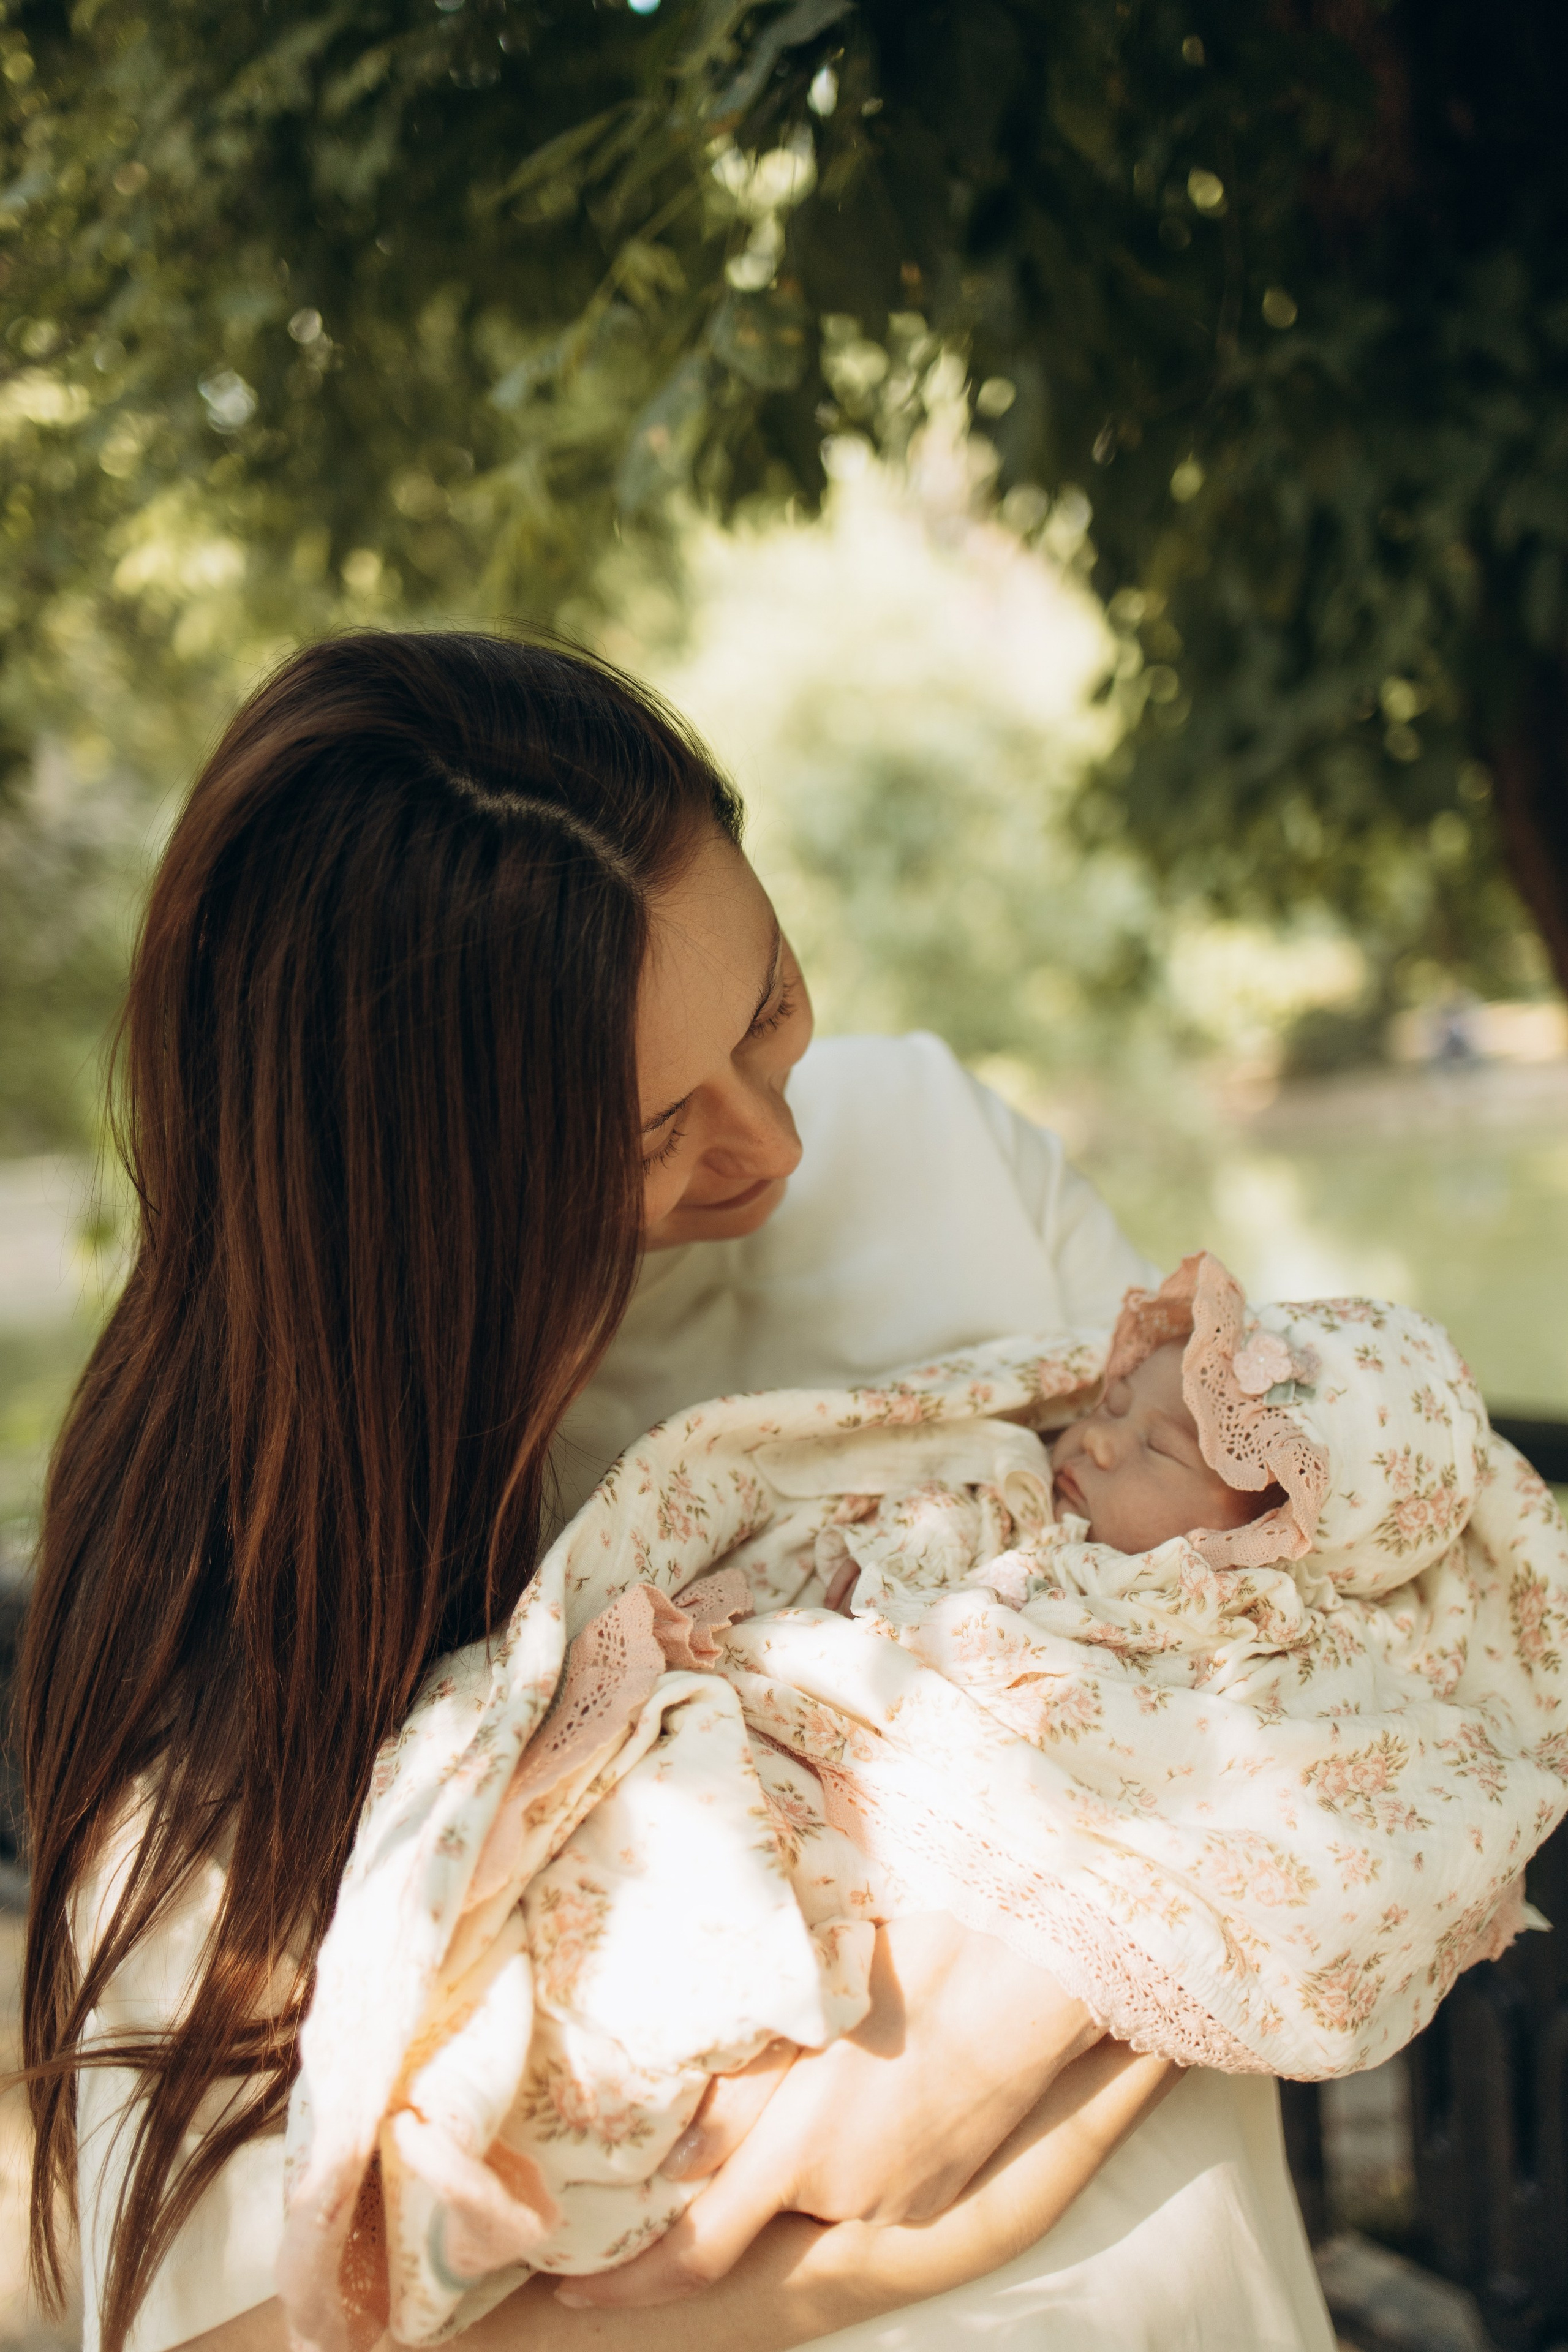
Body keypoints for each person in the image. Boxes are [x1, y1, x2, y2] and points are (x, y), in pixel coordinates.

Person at [20, 631, 1333, 2352]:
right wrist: (804, 2282)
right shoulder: (257, 1591)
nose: (770, 1148)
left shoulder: (940, 1156)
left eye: (770, 999)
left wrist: (1012, 2013)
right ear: (427, 1189)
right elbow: (215, 2300)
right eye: (649, 1133)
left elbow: (1350, 1623)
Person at [283, 1246, 1567, 2343]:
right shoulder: (1003, 1489)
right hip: (811, 1741)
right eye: (1115, 1395)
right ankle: (474, 2091)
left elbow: (1306, 1848)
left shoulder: (1258, 1661)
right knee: (638, 1853)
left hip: (945, 1854)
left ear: (1282, 1525)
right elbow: (854, 1551)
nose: (1101, 1431)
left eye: (1168, 1444)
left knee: (735, 1977)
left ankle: (535, 2151)